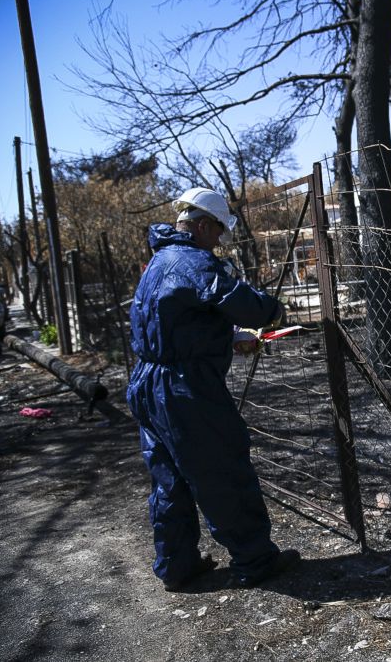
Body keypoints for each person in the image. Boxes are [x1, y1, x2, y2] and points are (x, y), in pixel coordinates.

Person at [126, 187, 299, 591]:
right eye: (218, 231)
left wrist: (228, 336)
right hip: (184, 389)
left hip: (148, 382)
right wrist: (272, 311)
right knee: (221, 469)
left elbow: (179, 321)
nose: (219, 240)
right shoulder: (193, 262)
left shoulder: (160, 260)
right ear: (203, 225)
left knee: (169, 479)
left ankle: (177, 565)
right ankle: (255, 560)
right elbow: (237, 300)